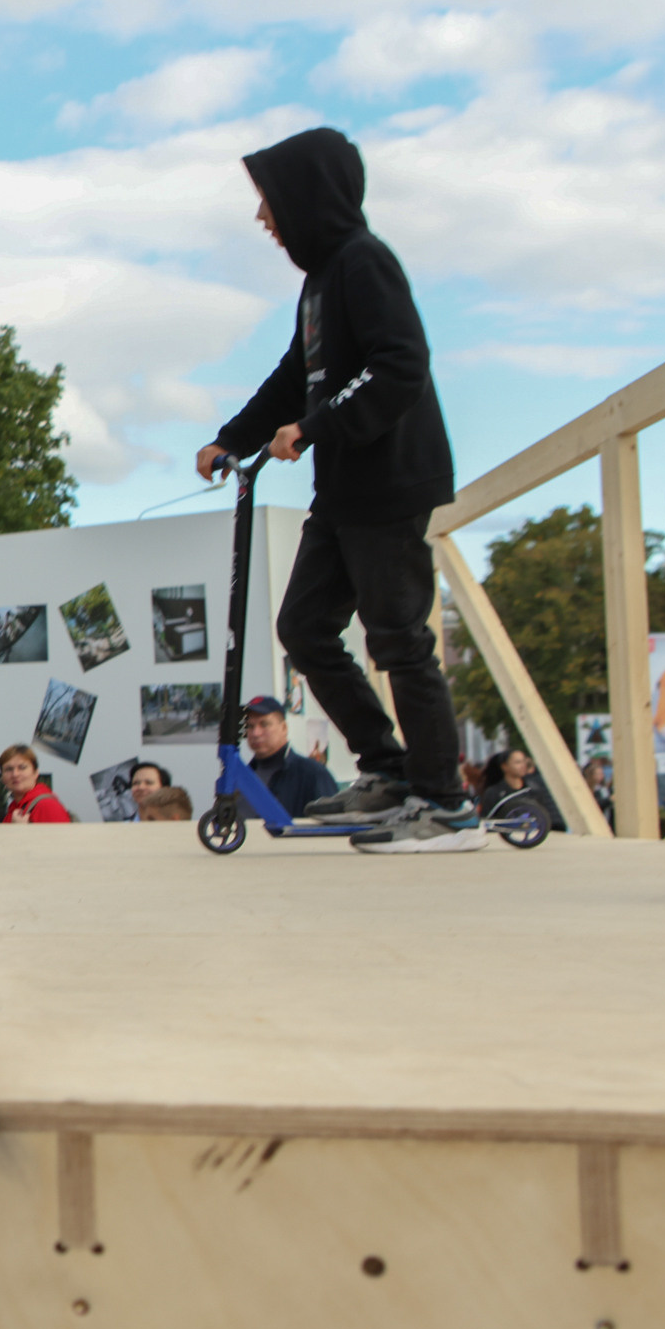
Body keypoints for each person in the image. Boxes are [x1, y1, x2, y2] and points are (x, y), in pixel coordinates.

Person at [196, 126, 474, 855]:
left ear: (306, 199)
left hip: (391, 480)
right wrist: (232, 438)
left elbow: (400, 364)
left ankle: (447, 804)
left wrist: (317, 427)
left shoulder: (364, 262)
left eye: (269, 200)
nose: (262, 216)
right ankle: (388, 768)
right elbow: (296, 377)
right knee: (305, 628)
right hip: (344, 489)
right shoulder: (319, 283)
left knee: (398, 640)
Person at [238, 696, 339, 819]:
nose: (255, 733)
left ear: (284, 728)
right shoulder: (239, 778)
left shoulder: (312, 774)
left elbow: (332, 824)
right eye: (250, 726)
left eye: (264, 724)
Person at [478, 749, 564, 829]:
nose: (523, 766)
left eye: (524, 761)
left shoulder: (533, 790)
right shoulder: (493, 792)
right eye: (518, 762)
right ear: (504, 766)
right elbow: (487, 820)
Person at [0, 746, 72, 823]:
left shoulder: (47, 805)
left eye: (22, 768)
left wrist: (20, 829)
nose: (15, 774)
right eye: (9, 769)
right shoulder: (14, 807)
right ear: (2, 777)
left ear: (36, 773)